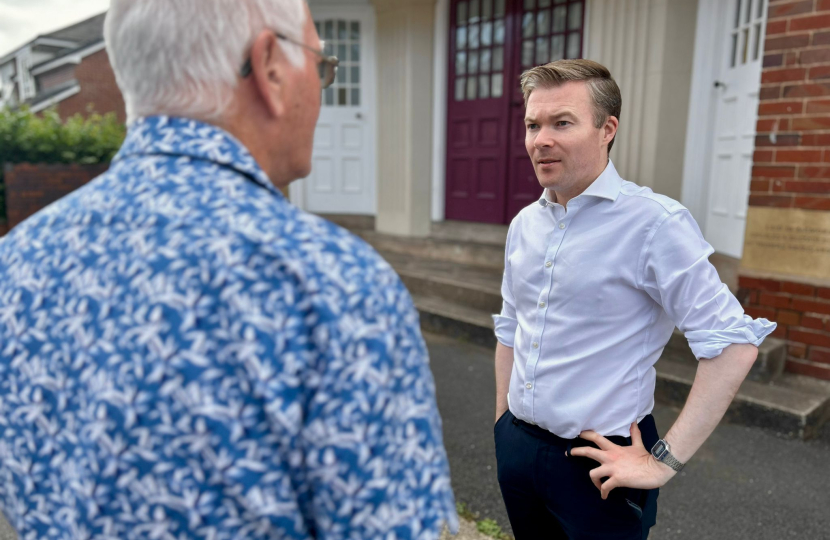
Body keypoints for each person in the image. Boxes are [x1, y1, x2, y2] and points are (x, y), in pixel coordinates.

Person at [0, 1, 458, 538]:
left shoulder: (17, 262)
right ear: (268, 67)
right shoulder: (334, 283)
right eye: (320, 65)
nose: (320, 86)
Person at [492, 59, 775, 540]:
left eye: (562, 122)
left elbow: (732, 344)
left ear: (607, 129)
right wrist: (503, 424)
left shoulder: (655, 224)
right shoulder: (524, 224)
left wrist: (663, 461)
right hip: (518, 449)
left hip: (601, 465)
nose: (541, 139)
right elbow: (510, 327)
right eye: (532, 124)